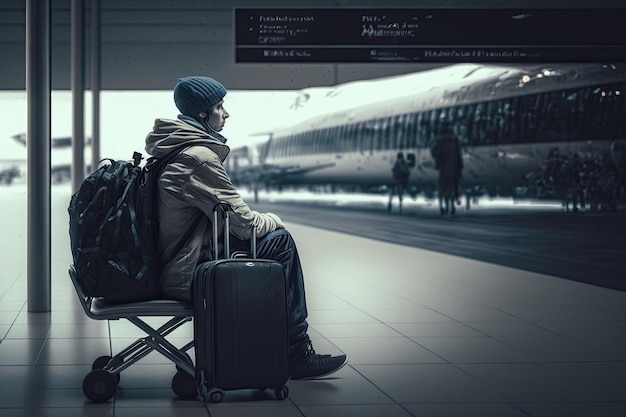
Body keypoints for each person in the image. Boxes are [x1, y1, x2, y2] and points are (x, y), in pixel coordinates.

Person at [144, 76, 347, 380]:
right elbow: (245, 225)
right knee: (280, 241)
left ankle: (282, 345)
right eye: (219, 106)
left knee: (269, 245)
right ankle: (295, 353)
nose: (225, 113)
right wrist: (275, 218)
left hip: (172, 261)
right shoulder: (197, 159)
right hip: (183, 273)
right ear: (203, 115)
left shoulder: (171, 151)